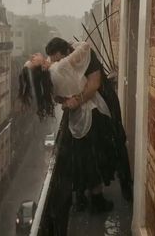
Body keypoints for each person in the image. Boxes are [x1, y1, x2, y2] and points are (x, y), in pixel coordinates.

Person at [19, 41, 118, 213]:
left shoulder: (49, 82)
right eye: (32, 60)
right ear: (39, 68)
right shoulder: (59, 68)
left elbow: (60, 99)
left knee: (86, 159)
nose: (33, 56)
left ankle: (84, 199)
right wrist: (73, 44)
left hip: (76, 121)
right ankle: (98, 201)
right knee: (94, 159)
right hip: (92, 114)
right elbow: (86, 48)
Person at [45, 37, 133, 203]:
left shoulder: (85, 54)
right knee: (86, 152)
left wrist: (76, 101)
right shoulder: (62, 62)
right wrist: (65, 100)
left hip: (104, 99)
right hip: (84, 108)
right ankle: (86, 193)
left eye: (59, 59)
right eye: (54, 61)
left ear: (66, 52)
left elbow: (94, 84)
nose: (58, 63)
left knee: (117, 140)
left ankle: (126, 187)